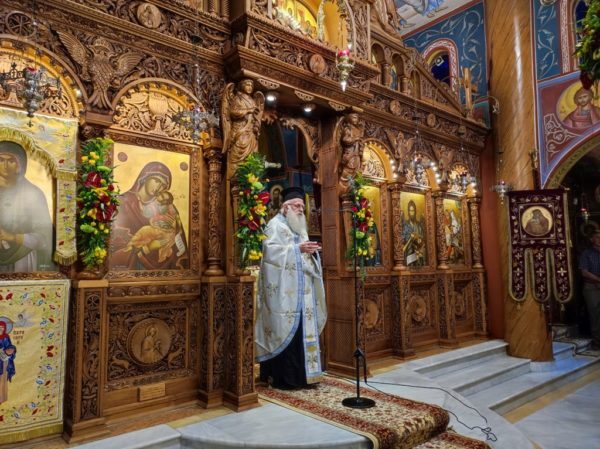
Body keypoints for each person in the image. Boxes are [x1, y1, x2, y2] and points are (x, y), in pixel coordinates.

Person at [255, 187, 327, 389]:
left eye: (302, 207)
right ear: (285, 207)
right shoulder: (275, 225)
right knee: (285, 332)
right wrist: (297, 249)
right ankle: (286, 379)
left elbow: (304, 255)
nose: (301, 210)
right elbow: (269, 254)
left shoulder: (299, 228)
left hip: (303, 293)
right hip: (284, 294)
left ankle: (305, 376)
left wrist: (312, 252)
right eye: (297, 206)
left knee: (302, 333)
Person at [111, 162, 188, 270]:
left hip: (163, 266)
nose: (158, 187)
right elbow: (116, 244)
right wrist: (148, 247)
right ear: (145, 177)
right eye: (156, 180)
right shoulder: (122, 201)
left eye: (163, 185)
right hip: (131, 266)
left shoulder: (166, 206)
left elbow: (177, 238)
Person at [0, 141, 53, 272]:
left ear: (20, 164)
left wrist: (14, 237)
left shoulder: (34, 194)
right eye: (1, 160)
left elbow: (45, 238)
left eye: (11, 160)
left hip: (22, 258)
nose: (5, 165)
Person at [580, 230, 600, 348]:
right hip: (591, 287)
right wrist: (598, 280)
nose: (599, 239)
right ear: (592, 239)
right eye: (597, 237)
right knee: (595, 314)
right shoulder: (586, 253)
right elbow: (584, 271)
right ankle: (597, 341)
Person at [402, 200, 427, 266]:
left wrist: (420, 240)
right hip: (409, 254)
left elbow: (422, 238)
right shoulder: (406, 225)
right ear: (408, 212)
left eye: (413, 211)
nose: (412, 213)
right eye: (410, 211)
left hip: (418, 253)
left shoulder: (418, 225)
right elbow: (403, 239)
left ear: (415, 211)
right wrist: (410, 237)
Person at [0, 317, 16, 405]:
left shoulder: (6, 337)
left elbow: (10, 347)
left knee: (2, 380)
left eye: (2, 327)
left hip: (4, 362)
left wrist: (10, 350)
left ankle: (1, 398)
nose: (1, 329)